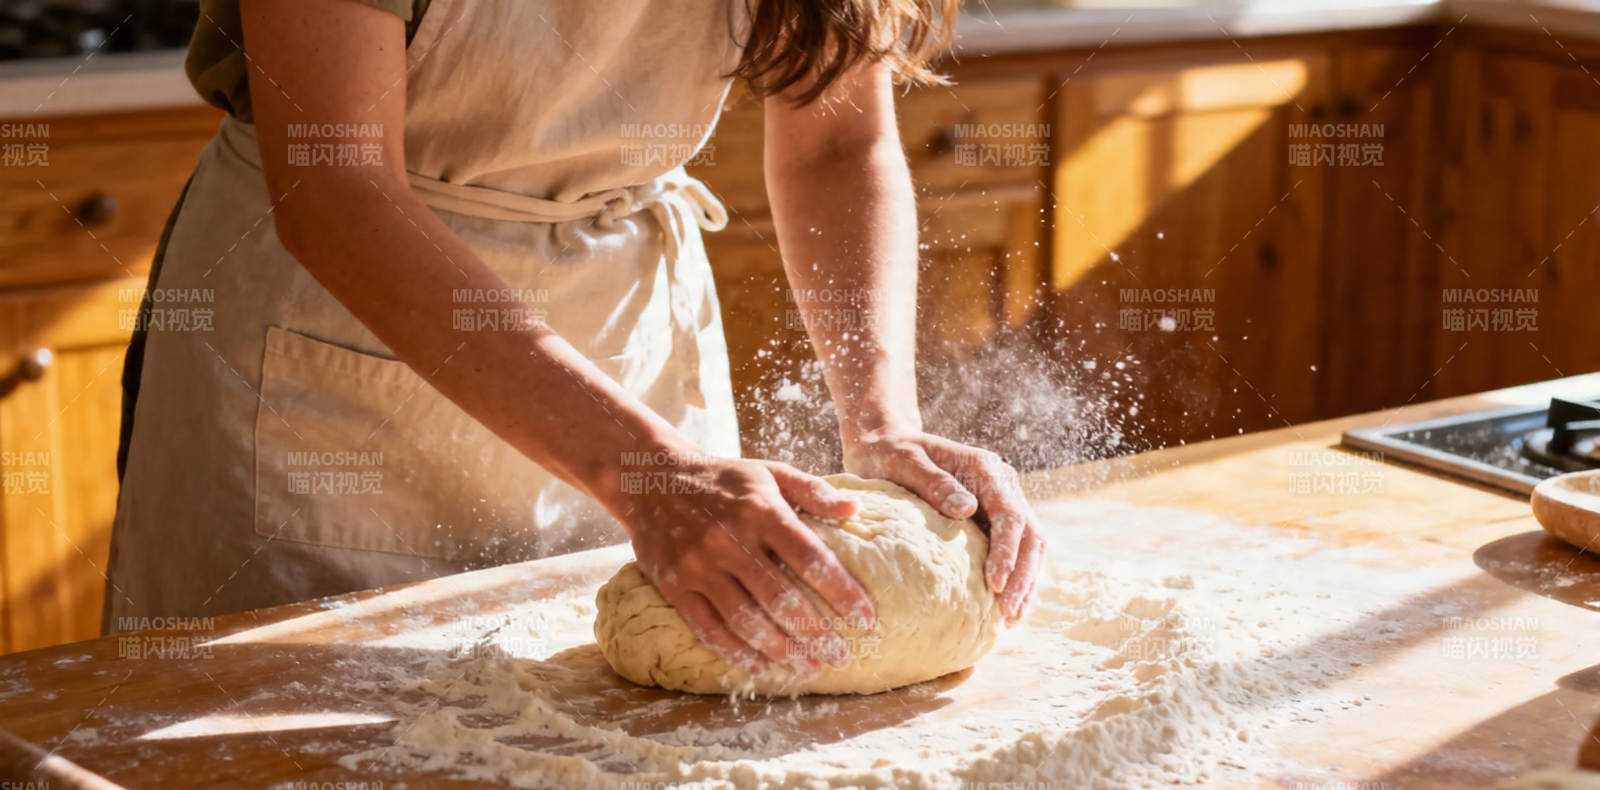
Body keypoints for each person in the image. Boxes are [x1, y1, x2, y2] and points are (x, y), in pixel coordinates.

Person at [106, 0, 1045, 677]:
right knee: (281, 783)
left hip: (621, 342)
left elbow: (838, 141)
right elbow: (335, 188)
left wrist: (882, 422)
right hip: (330, 344)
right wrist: (644, 469)